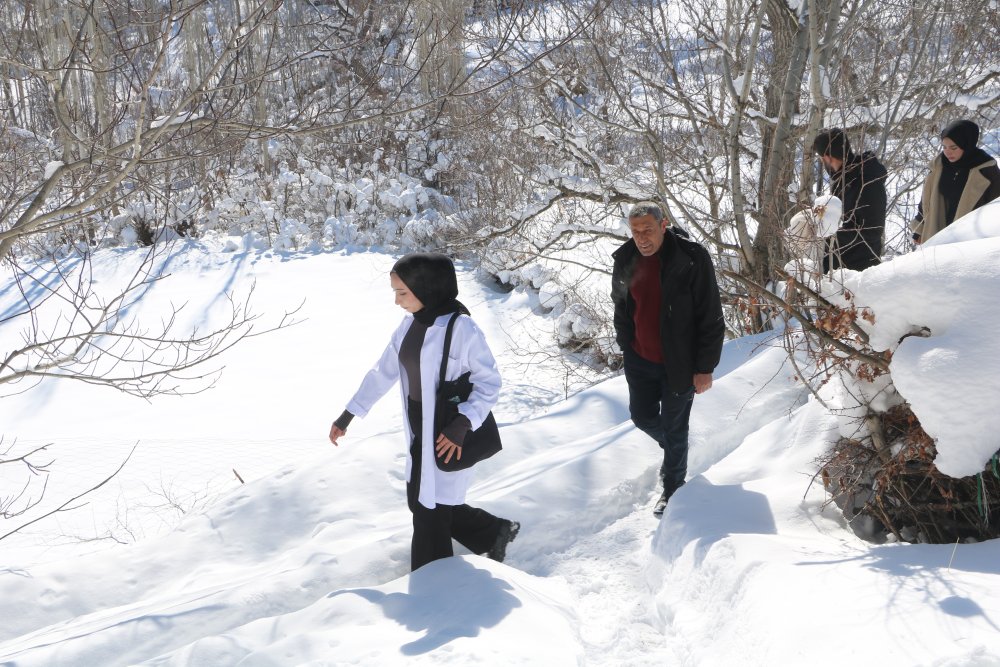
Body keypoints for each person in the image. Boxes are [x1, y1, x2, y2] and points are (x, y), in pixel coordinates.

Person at [328, 253, 519, 571]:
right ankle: (493, 533)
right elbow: (383, 372)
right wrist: (349, 414)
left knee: (430, 511)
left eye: (402, 292)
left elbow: (489, 383)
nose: (397, 301)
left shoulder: (462, 329)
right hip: (418, 425)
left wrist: (463, 423)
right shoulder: (408, 327)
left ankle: (432, 583)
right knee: (422, 499)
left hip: (449, 428)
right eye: (395, 292)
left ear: (426, 287)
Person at [611, 202, 725, 517]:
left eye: (648, 230)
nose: (641, 238)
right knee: (641, 417)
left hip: (680, 363)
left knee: (675, 427)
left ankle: (673, 487)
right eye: (635, 232)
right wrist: (626, 344)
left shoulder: (691, 258)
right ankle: (676, 449)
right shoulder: (626, 258)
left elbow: (711, 315)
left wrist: (705, 368)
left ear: (664, 226)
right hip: (639, 359)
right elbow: (621, 306)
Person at [911, 119, 1000, 244]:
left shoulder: (986, 169)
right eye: (944, 147)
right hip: (937, 231)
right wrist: (919, 229)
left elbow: (995, 210)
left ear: (967, 145)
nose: (947, 152)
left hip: (970, 238)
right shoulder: (939, 166)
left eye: (954, 147)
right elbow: (926, 201)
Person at [812, 128, 888, 272]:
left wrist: (831, 235)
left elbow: (872, 230)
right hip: (838, 266)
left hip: (860, 269)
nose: (822, 162)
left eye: (822, 159)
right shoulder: (842, 179)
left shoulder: (867, 180)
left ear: (827, 157)